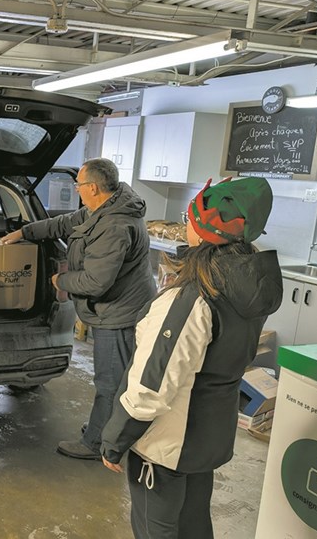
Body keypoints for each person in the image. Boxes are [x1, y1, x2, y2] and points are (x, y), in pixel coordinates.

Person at [100, 177, 282, 539]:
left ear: (204, 231)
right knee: (194, 526)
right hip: (207, 439)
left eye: (190, 218)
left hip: (167, 445)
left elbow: (152, 385)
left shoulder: (192, 298)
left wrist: (115, 439)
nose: (185, 225)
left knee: (156, 529)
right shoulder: (246, 285)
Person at [1, 158, 156, 460]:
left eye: (79, 185)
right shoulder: (103, 209)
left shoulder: (114, 225)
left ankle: (97, 444)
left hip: (119, 313)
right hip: (115, 307)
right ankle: (104, 430)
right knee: (113, 379)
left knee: (110, 381)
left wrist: (60, 280)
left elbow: (96, 281)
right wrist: (24, 232)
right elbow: (64, 223)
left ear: (93, 188)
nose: (77, 189)